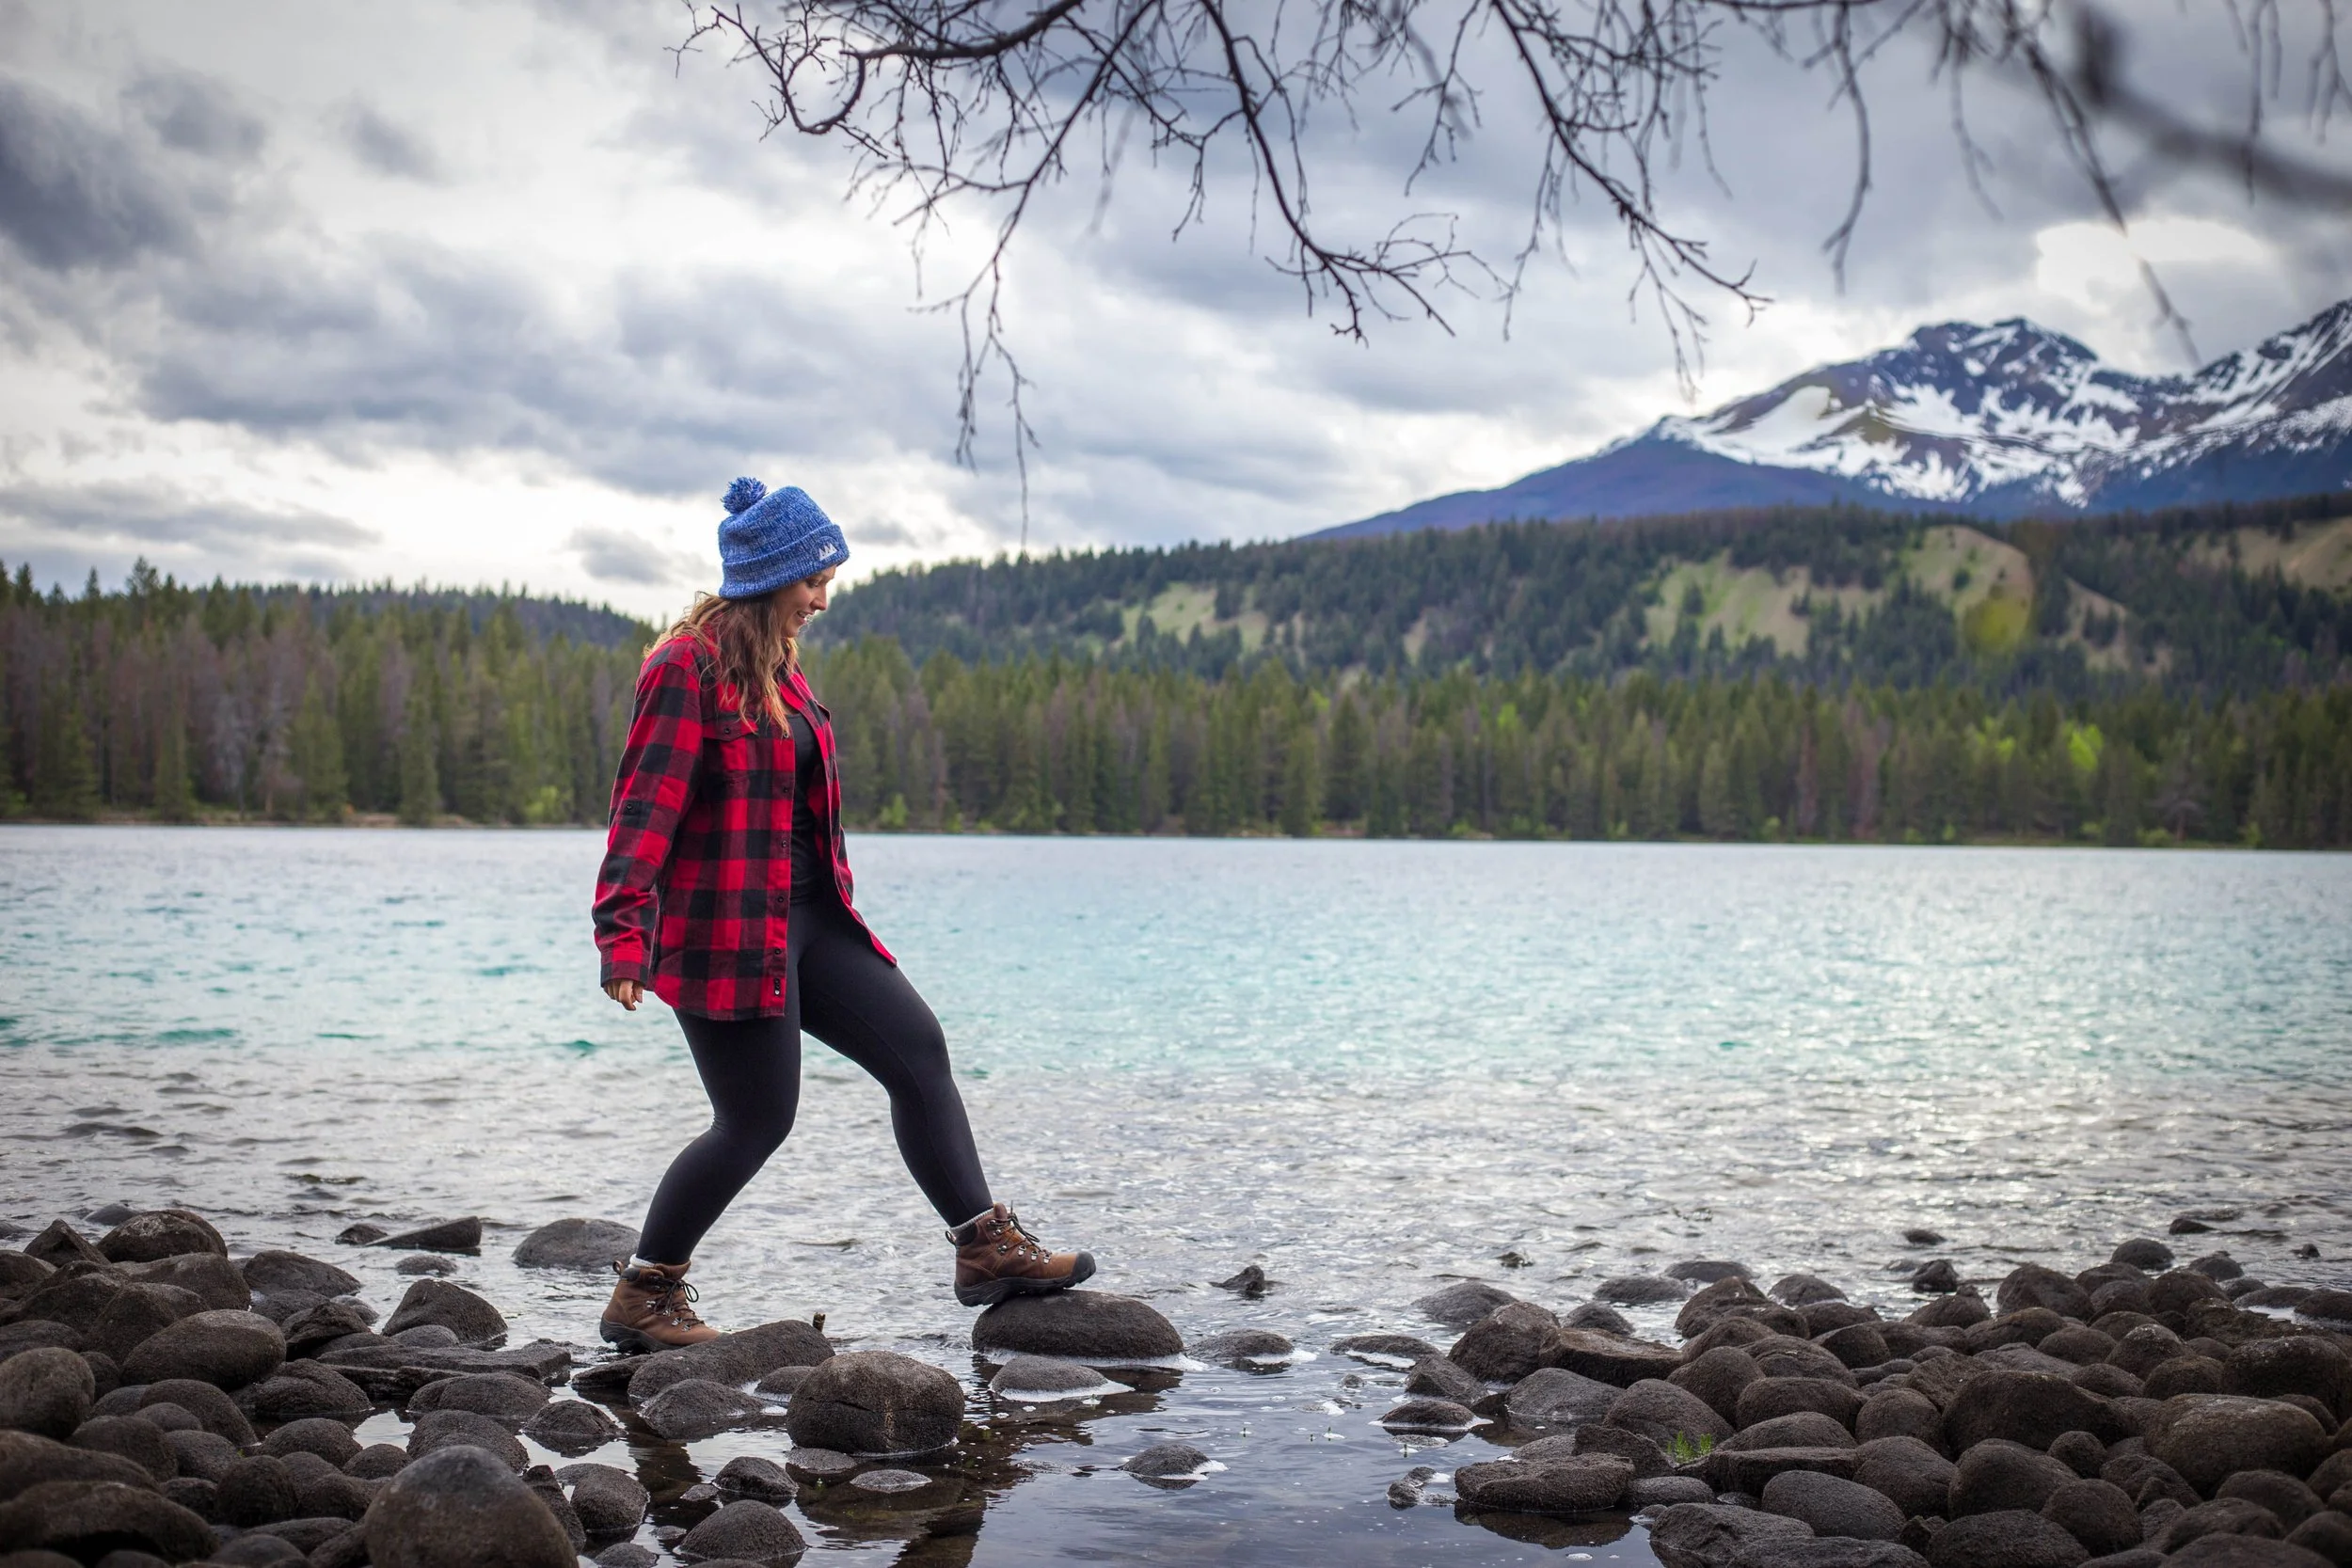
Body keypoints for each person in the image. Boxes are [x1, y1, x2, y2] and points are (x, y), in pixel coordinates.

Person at [590, 476, 1095, 1351]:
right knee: (756, 1119)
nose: (821, 599)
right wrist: (623, 930)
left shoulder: (780, 666)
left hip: (814, 920)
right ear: (767, 575)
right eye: (812, 581)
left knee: (919, 1049)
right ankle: (645, 1289)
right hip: (729, 935)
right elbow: (644, 808)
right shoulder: (684, 666)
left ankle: (984, 1247)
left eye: (829, 581)